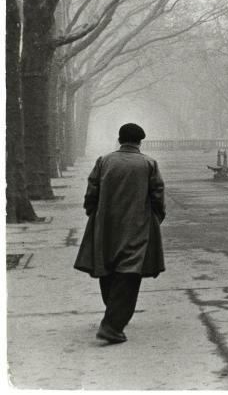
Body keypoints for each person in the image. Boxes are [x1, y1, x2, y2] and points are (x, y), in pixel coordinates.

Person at [74, 123, 166, 344]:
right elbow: (157, 196)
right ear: (139, 142)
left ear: (120, 139)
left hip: (105, 224)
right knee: (129, 271)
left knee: (107, 266)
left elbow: (91, 192)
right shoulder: (148, 164)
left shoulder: (104, 161)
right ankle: (112, 325)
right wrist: (156, 219)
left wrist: (93, 215)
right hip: (137, 225)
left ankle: (113, 312)